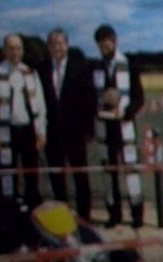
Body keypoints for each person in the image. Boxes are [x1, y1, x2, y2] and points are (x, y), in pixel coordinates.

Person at [0, 32, 45, 240]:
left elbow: (41, 106)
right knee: (8, 175)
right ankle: (9, 218)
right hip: (7, 131)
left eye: (18, 48)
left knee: (31, 174)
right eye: (11, 48)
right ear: (5, 50)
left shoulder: (30, 72)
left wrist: (41, 131)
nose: (15, 52)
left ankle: (33, 218)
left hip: (28, 130)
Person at [91, 26, 146, 226]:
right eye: (101, 42)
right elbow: (91, 97)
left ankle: (137, 214)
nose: (105, 45)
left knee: (131, 170)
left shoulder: (129, 65)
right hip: (105, 128)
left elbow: (139, 98)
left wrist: (126, 111)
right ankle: (114, 214)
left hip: (124, 126)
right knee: (109, 172)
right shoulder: (95, 67)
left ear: (115, 41)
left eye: (108, 41)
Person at [40, 27, 96, 224]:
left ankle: (84, 216)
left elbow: (90, 99)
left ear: (67, 45)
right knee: (57, 176)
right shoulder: (42, 68)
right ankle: (61, 215)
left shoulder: (80, 67)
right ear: (48, 47)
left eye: (60, 43)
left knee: (80, 175)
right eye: (53, 44)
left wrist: (89, 128)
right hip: (52, 133)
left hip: (76, 132)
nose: (57, 47)